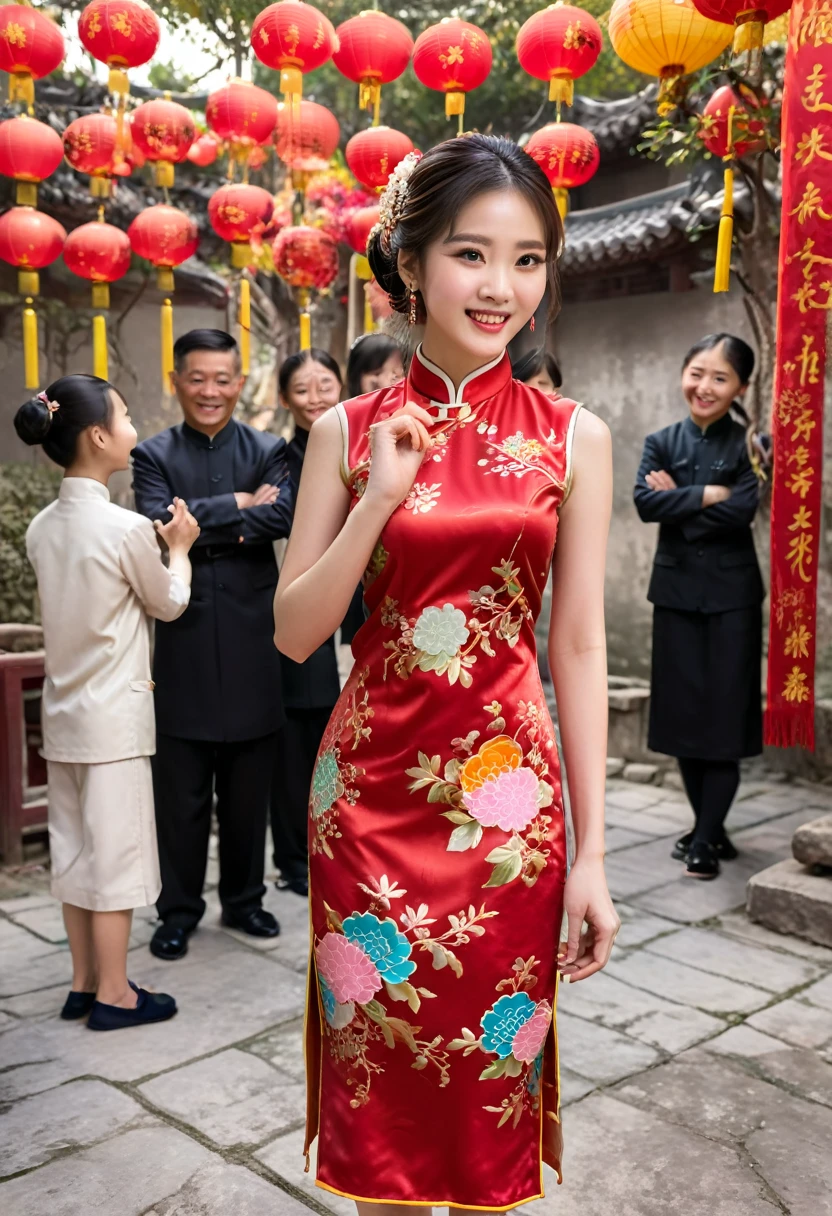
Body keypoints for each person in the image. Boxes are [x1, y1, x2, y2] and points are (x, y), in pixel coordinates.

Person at [274, 134, 619, 1211]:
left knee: (485, 1090)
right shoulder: (346, 427)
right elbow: (294, 633)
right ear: (413, 260)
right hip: (370, 798)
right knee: (379, 1095)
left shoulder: (575, 436)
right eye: (472, 254)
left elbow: (576, 645)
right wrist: (377, 494)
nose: (500, 287)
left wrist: (595, 853)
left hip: (507, 816)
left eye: (527, 260)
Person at [16, 375, 199, 1029]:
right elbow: (169, 603)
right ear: (97, 437)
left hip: (63, 714)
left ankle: (83, 981)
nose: (131, 428)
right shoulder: (124, 528)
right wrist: (178, 549)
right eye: (123, 416)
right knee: (116, 854)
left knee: (73, 852)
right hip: (114, 720)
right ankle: (116, 994)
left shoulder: (43, 527)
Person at [132, 329, 294, 960]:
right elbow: (156, 527)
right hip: (185, 638)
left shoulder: (269, 447)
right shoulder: (151, 455)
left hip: (256, 636)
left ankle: (246, 900)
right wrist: (235, 503)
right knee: (181, 789)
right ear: (177, 380)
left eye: (223, 379)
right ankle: (177, 910)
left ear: (238, 381)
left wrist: (197, 528)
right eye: (197, 378)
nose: (210, 391)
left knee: (250, 784)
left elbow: (280, 519)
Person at [633, 333, 764, 881]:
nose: (704, 386)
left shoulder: (752, 446)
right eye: (697, 373)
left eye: (719, 378)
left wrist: (678, 501)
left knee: (725, 719)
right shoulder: (661, 441)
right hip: (677, 597)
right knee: (684, 718)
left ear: (739, 387)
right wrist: (710, 495)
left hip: (734, 600)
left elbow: (746, 511)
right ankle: (708, 826)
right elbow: (644, 502)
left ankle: (705, 840)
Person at [271, 349, 345, 897]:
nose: (316, 397)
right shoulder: (279, 459)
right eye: (303, 389)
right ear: (285, 399)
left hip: (363, 606)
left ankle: (338, 842)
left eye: (325, 384)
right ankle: (295, 857)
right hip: (305, 603)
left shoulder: (368, 441)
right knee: (300, 737)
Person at [345, 332, 404, 399]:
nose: (385, 383)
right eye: (377, 373)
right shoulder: (343, 408)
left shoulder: (411, 407)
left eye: (396, 376)